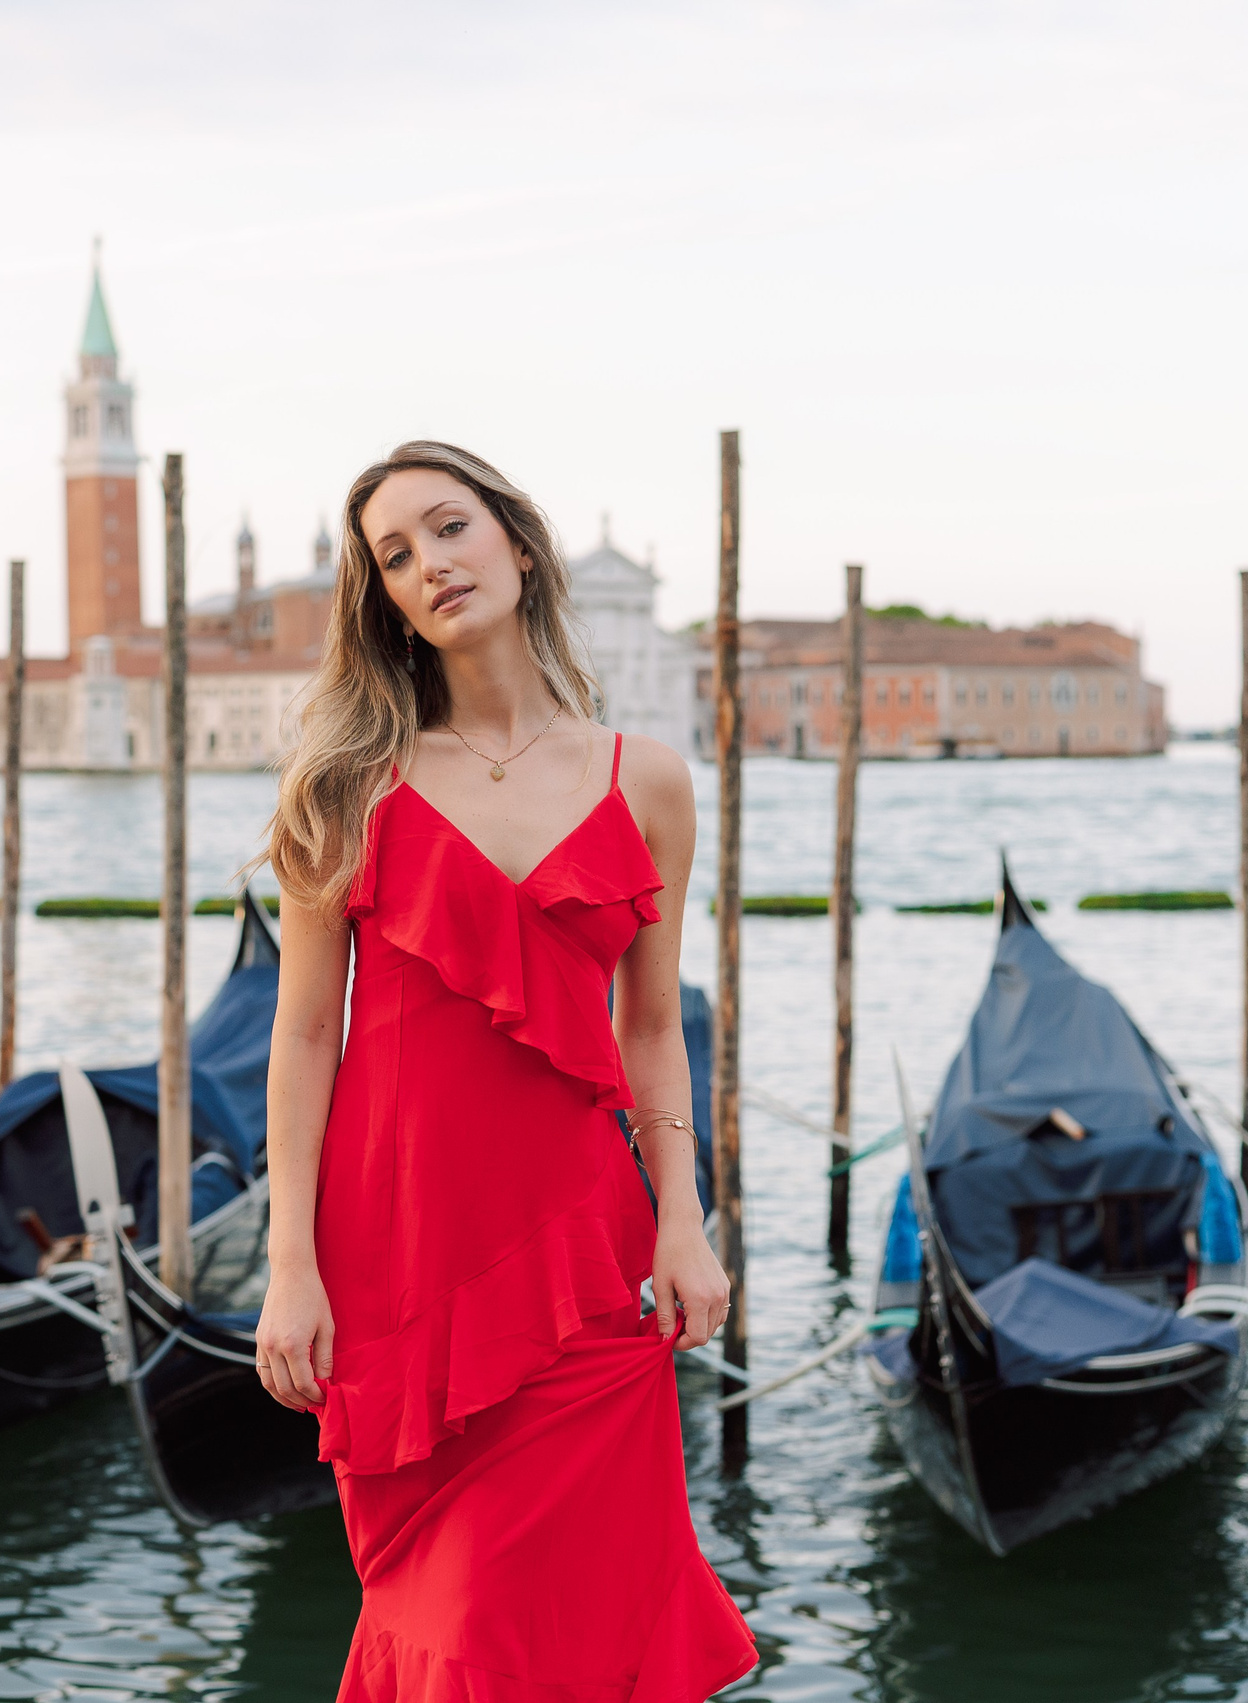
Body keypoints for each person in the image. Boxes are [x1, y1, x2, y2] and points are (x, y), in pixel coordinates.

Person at [252, 442, 757, 1698]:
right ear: (386, 597)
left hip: (587, 1260)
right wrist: (289, 1263)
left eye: (448, 527)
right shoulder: (346, 782)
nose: (429, 563)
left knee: (581, 1625)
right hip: (400, 1256)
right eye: (395, 554)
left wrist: (683, 1222)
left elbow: (650, 1025)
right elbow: (306, 1035)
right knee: (453, 1618)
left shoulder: (647, 779)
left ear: (516, 546)